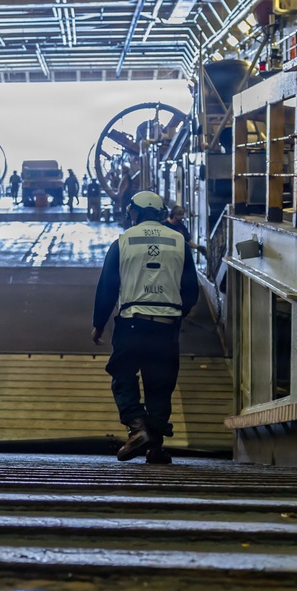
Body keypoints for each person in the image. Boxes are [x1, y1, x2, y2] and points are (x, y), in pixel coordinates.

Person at [92, 191, 199, 465]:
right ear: (162, 213)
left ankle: (138, 429)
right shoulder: (179, 242)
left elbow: (107, 288)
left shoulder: (122, 241)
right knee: (160, 384)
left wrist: (98, 325)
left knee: (122, 373)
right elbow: (191, 290)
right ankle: (156, 448)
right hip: (167, 326)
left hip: (132, 322)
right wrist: (176, 314)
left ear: (134, 213)